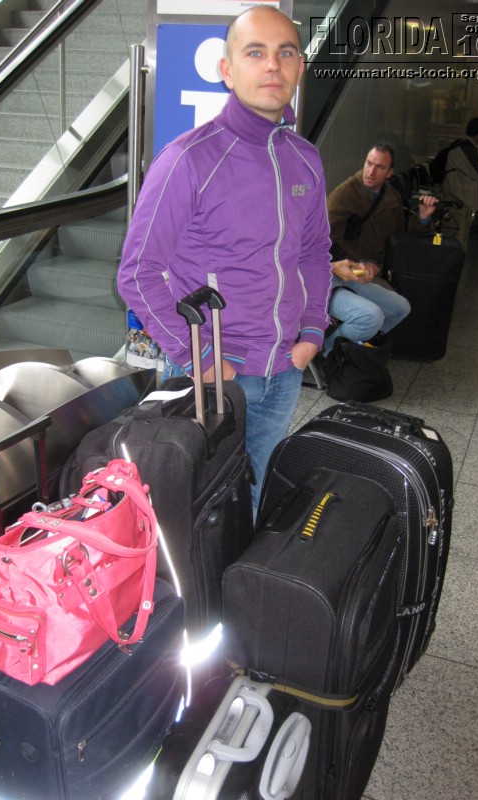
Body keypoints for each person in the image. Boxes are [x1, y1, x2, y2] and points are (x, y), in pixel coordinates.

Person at [116, 5, 333, 511]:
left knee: (253, 500)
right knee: (197, 511)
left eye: (286, 53)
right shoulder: (189, 159)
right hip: (216, 375)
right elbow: (138, 273)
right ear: (227, 70)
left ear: (300, 67)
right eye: (255, 53)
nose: (273, 65)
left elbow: (314, 252)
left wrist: (312, 331)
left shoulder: (304, 158)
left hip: (284, 369)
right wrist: (204, 361)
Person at [324, 144, 437, 354]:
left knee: (400, 307)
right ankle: (329, 353)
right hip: (342, 268)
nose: (370, 172)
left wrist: (423, 218)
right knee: (373, 314)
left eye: (379, 167)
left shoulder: (391, 196)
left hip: (369, 269)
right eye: (369, 164)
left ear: (389, 172)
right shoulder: (345, 193)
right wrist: (360, 261)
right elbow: (327, 237)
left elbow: (400, 235)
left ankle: (356, 347)